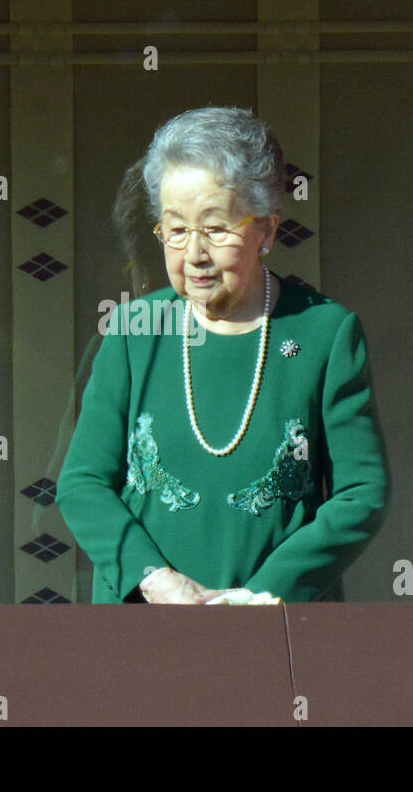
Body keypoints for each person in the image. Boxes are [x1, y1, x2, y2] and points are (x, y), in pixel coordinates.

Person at [57, 107, 390, 604]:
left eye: (215, 229)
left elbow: (362, 492)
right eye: (175, 229)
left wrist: (264, 593)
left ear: (268, 231)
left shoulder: (323, 332)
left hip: (276, 626)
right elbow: (83, 483)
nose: (194, 253)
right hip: (144, 623)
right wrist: (155, 580)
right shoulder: (133, 330)